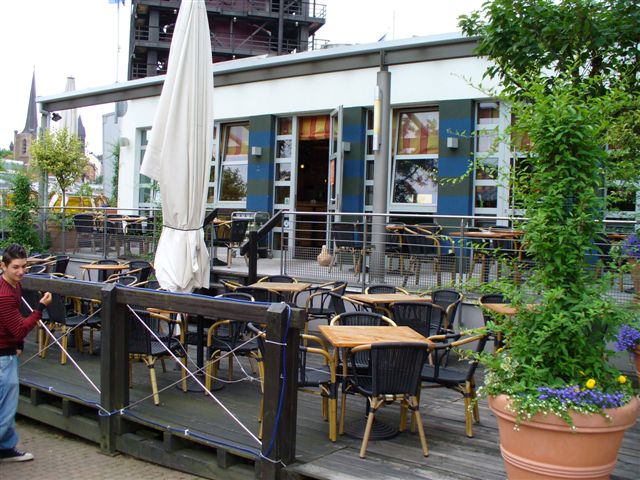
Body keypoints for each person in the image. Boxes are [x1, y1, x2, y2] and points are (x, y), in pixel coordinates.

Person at [0, 244, 51, 462]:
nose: (21, 272)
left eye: (24, 266)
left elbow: (13, 324)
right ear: (3, 266)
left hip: (8, 350)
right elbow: (20, 328)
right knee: (6, 407)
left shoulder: (13, 285)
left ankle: (6, 447)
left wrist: (18, 344)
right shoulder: (5, 294)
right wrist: (40, 308)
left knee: (6, 404)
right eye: (15, 267)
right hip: (2, 356)